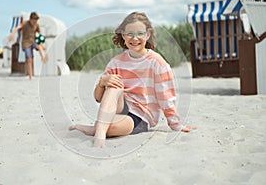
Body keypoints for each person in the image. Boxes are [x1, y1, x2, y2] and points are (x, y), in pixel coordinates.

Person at [69, 12, 197, 147]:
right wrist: (102, 82)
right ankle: (99, 135)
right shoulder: (116, 62)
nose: (135, 38)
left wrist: (175, 124)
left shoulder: (156, 62)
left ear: (147, 35)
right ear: (123, 35)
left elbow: (165, 97)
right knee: (114, 84)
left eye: (140, 34)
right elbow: (98, 98)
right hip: (118, 108)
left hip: (140, 116)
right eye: (130, 33)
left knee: (109, 126)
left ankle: (94, 129)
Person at [8, 12, 48, 80]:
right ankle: (30, 76)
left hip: (33, 42)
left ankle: (43, 57)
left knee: (39, 46)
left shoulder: (36, 25)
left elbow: (40, 34)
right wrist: (12, 34)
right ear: (30, 19)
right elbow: (17, 28)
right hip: (26, 43)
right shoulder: (25, 23)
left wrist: (42, 44)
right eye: (34, 21)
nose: (35, 22)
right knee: (29, 59)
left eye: (36, 21)